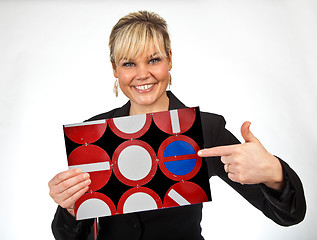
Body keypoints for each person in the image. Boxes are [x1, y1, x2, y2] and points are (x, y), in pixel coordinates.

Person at [48, 10, 306, 240]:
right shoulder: (92, 132)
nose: (142, 74)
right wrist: (70, 208)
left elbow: (288, 216)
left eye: (153, 60)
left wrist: (275, 173)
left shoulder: (205, 128)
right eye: (128, 63)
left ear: (169, 60)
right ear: (115, 69)